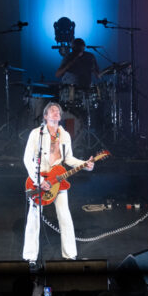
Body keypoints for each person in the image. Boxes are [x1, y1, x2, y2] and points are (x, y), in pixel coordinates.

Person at [22, 102, 95, 266]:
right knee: (34, 217)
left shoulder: (65, 135)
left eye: (58, 111)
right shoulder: (36, 134)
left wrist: (85, 164)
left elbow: (68, 158)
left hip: (58, 180)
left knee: (64, 215)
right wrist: (39, 181)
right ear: (45, 116)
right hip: (39, 180)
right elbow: (27, 159)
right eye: (52, 110)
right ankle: (30, 257)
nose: (56, 112)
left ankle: (70, 255)